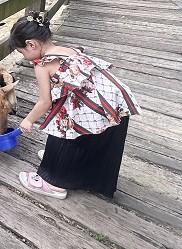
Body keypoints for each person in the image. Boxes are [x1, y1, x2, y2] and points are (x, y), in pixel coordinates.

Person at [8, 13, 142, 199]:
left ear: (32, 44)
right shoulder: (67, 50)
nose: (25, 58)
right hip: (112, 103)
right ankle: (68, 164)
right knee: (84, 132)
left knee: (61, 124)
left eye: (22, 52)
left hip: (95, 108)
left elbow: (45, 102)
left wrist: (28, 120)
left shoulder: (42, 66)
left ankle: (53, 183)